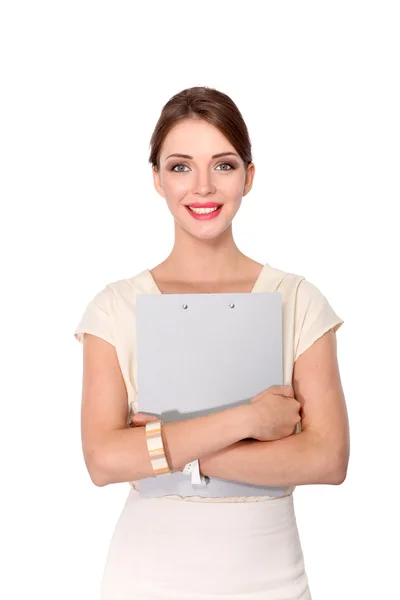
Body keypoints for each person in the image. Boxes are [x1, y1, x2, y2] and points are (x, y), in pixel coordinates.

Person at [74, 86, 349, 599]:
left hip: (272, 577)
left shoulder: (296, 299)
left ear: (249, 175)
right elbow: (104, 461)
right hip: (148, 576)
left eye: (222, 165)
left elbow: (328, 459)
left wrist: (167, 447)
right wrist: (247, 421)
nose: (202, 187)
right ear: (156, 178)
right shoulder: (115, 307)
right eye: (180, 167)